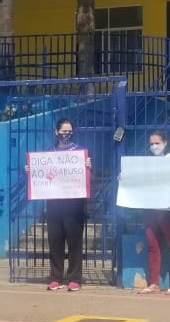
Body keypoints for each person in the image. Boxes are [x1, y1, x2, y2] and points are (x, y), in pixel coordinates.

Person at [26, 118, 92, 292]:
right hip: (54, 206)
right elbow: (44, 176)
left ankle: (74, 278)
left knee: (75, 243)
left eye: (69, 131)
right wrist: (31, 170)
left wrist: (87, 168)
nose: (66, 134)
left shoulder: (79, 152)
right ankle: (56, 277)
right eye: (63, 131)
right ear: (56, 132)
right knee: (55, 242)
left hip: (74, 206)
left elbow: (87, 179)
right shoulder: (48, 153)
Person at [137, 130, 170, 295]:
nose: (154, 146)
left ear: (165, 143)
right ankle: (154, 283)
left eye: (157, 143)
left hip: (169, 209)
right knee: (153, 246)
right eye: (151, 144)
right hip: (150, 209)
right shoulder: (146, 163)